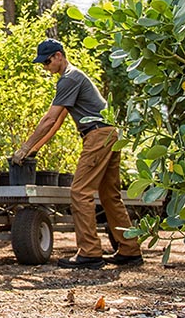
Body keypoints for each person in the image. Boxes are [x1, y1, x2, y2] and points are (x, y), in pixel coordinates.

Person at [11, 38, 143, 269]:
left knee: (80, 192)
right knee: (110, 195)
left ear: (59, 56)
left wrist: (23, 148)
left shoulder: (69, 78)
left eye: (47, 61)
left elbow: (49, 118)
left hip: (98, 135)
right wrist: (34, 149)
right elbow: (58, 122)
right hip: (110, 133)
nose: (46, 67)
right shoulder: (74, 78)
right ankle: (130, 250)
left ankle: (90, 253)